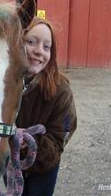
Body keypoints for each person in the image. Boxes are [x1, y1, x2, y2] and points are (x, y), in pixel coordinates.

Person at [16, 17, 77, 196]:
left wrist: (26, 143)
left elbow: (63, 134)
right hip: (11, 165)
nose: (39, 51)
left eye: (46, 47)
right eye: (31, 42)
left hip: (44, 169)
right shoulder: (2, 84)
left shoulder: (61, 90)